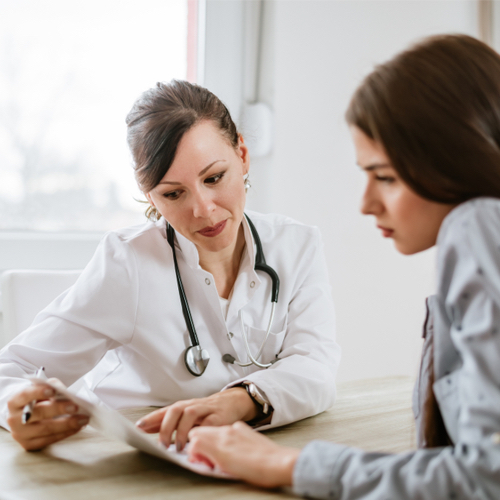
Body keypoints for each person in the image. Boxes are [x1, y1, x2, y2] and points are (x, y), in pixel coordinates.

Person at [186, 34, 500, 498]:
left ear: (459, 159)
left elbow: (484, 477)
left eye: (386, 177)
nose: (366, 204)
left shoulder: (476, 225)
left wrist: (290, 465)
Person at [0, 80, 340, 452]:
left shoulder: (297, 245)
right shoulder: (126, 263)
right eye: (173, 193)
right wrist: (18, 409)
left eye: (214, 178)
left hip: (249, 458)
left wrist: (239, 400)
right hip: (137, 463)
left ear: (242, 154)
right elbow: (11, 373)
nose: (204, 209)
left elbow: (316, 366)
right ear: (150, 195)